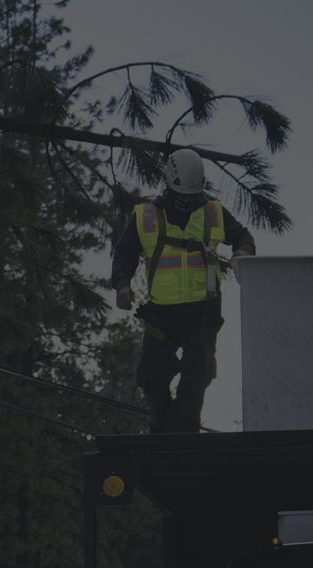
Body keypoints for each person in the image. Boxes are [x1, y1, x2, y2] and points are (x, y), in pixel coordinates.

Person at [111, 148, 256, 433]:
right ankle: (165, 427)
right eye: (182, 198)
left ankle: (179, 438)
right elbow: (125, 252)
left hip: (202, 312)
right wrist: (122, 285)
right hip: (161, 315)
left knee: (196, 379)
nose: (188, 203)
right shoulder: (146, 215)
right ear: (169, 185)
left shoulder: (213, 211)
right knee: (152, 377)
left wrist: (242, 252)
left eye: (193, 198)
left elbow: (243, 237)